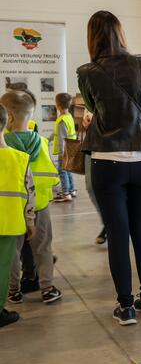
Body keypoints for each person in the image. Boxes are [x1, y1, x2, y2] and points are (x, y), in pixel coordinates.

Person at [77, 10, 141, 325]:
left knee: (118, 236)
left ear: (92, 37)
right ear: (121, 33)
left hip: (107, 163)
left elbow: (93, 108)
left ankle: (125, 308)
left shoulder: (87, 71)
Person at [1, 91, 62, 305]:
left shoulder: (4, 145)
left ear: (7, 116)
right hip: (41, 206)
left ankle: (14, 291)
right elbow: (53, 176)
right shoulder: (43, 143)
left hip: (14, 208)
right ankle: (47, 288)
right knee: (43, 247)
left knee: (13, 252)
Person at [0, 104, 36, 327]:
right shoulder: (20, 159)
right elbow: (28, 192)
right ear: (5, 123)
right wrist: (30, 220)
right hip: (9, 222)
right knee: (3, 267)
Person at [81, 110, 106, 244]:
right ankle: (107, 223)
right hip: (94, 143)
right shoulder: (90, 90)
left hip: (119, 144)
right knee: (91, 187)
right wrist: (87, 119)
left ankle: (111, 225)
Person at [52, 92, 77, 202]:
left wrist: (62, 154)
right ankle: (71, 190)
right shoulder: (69, 116)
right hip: (71, 148)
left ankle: (65, 193)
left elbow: (62, 138)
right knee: (68, 169)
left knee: (62, 170)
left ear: (57, 105)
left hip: (64, 150)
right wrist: (49, 139)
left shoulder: (62, 120)